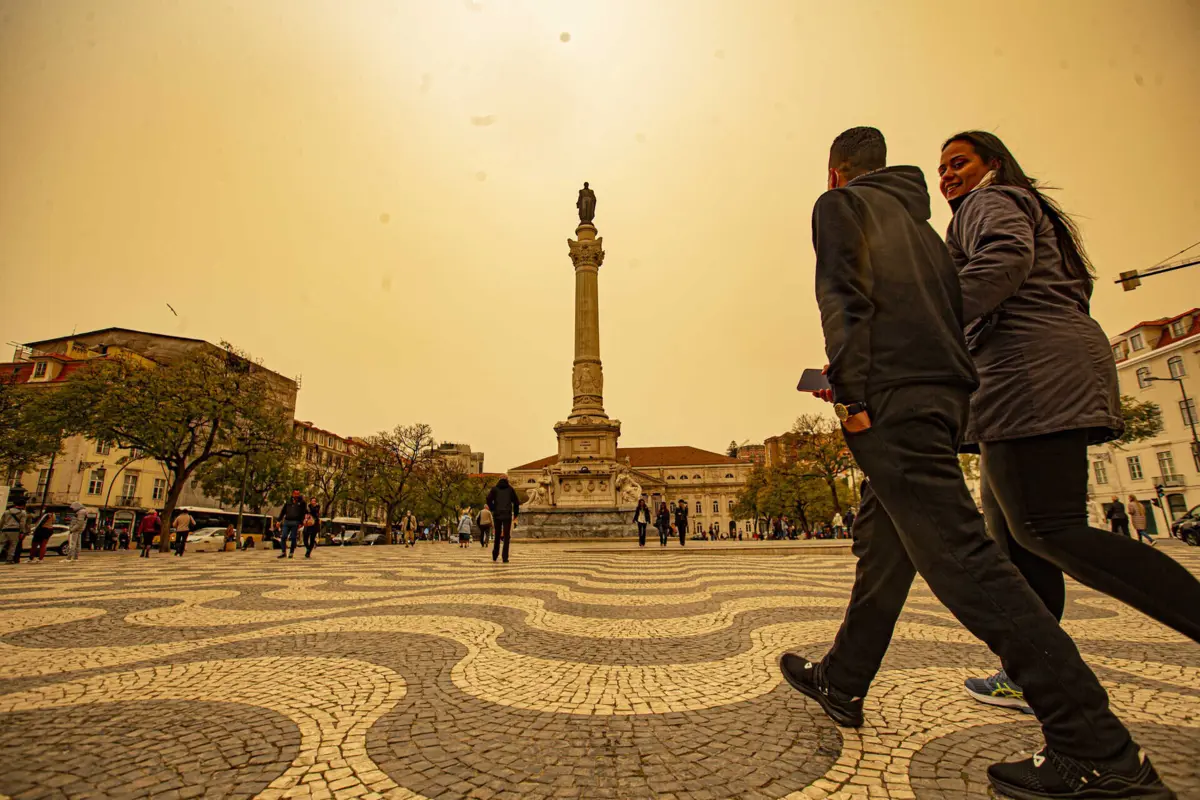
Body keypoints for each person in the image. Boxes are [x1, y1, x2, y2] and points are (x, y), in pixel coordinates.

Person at [784, 127, 1173, 799]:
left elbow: (843, 298)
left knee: (965, 560)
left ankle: (1097, 746)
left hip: (892, 397)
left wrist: (848, 391)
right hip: (945, 393)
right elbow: (942, 314)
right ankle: (844, 678)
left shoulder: (841, 206)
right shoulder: (928, 230)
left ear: (836, 174)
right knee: (885, 545)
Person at [939, 131, 1200, 722]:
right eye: (943, 168)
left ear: (993, 164)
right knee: (1012, 534)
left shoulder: (991, 201)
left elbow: (1003, 264)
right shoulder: (1019, 206)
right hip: (1032, 370)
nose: (948, 176)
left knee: (1043, 528)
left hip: (1030, 374)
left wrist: (928, 321)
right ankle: (1032, 668)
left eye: (959, 162)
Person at [486, 477, 520, 563]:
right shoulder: (510, 489)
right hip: (507, 515)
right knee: (506, 536)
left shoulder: (494, 489)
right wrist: (515, 514)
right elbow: (516, 502)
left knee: (497, 535)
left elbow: (488, 499)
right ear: (507, 480)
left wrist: (493, 508)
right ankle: (505, 557)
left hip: (497, 514)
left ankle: (495, 554)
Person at [277, 489, 306, 559]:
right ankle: (283, 552)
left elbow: (303, 513)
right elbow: (283, 511)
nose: (296, 495)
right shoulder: (288, 502)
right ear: (292, 494)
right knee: (283, 537)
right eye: (295, 494)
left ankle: (291, 552)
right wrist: (278, 521)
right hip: (287, 521)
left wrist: (301, 522)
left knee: (293, 538)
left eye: (298, 494)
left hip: (295, 522)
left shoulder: (302, 503)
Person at [0, 495, 29, 564]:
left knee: (1, 544)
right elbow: (22, 523)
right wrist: (22, 532)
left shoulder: (7, 512)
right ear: (23, 505)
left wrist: (1, 529)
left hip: (5, 529)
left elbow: (2, 521)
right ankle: (9, 559)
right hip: (15, 530)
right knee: (13, 545)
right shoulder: (23, 513)